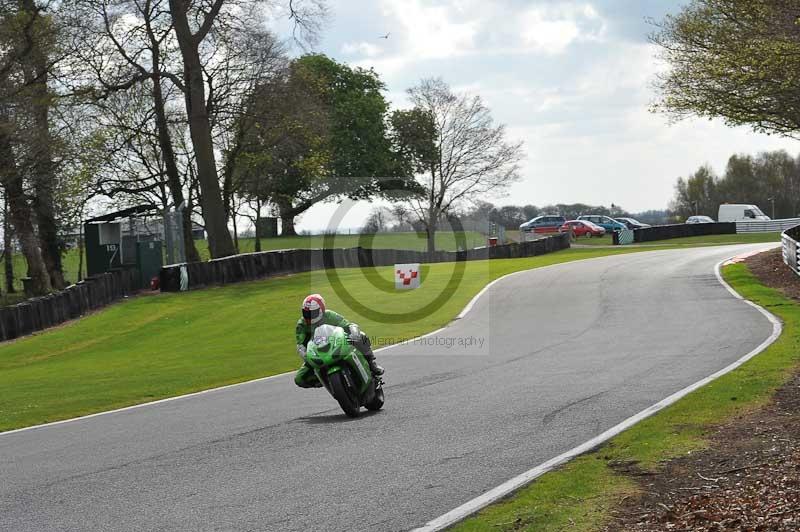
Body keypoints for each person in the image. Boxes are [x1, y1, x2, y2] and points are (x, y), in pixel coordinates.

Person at [294, 294, 384, 388]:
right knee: (299, 379)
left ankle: (372, 363)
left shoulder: (330, 315)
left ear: (321, 310)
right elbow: (300, 344)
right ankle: (325, 380)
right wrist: (305, 355)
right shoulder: (302, 325)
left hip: (336, 344)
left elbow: (348, 325)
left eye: (313, 313)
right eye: (306, 313)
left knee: (361, 335)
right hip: (318, 353)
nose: (309, 317)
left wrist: (353, 332)